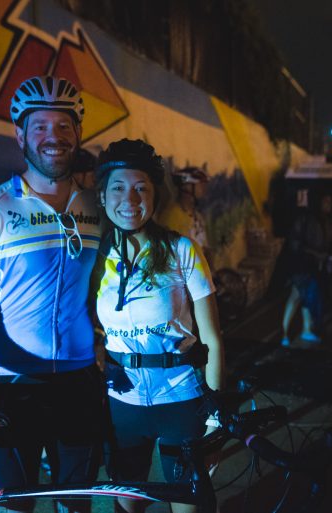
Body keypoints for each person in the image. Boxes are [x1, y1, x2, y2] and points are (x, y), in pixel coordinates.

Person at [0, 75, 105, 513]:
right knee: (14, 508)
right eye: (41, 126)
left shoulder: (98, 209)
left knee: (77, 505)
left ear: (78, 133)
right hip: (12, 387)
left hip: (80, 382)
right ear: (21, 135)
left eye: (64, 126)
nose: (54, 137)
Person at [91, 139, 225, 513]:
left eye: (140, 188)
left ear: (154, 196)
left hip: (181, 398)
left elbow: (212, 336)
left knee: (189, 506)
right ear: (102, 197)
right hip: (124, 404)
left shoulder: (183, 250)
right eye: (117, 188)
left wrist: (216, 412)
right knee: (127, 505)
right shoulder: (96, 255)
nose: (129, 199)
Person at [281, 199, 326, 347]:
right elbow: (297, 246)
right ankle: (285, 334)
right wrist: (316, 255)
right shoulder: (306, 221)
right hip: (300, 266)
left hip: (303, 266)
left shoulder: (307, 220)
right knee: (295, 297)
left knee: (305, 298)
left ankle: (305, 330)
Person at [162, 166, 210, 259]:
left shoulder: (197, 215)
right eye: (200, 184)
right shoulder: (172, 217)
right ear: (187, 187)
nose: (204, 188)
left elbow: (204, 247)